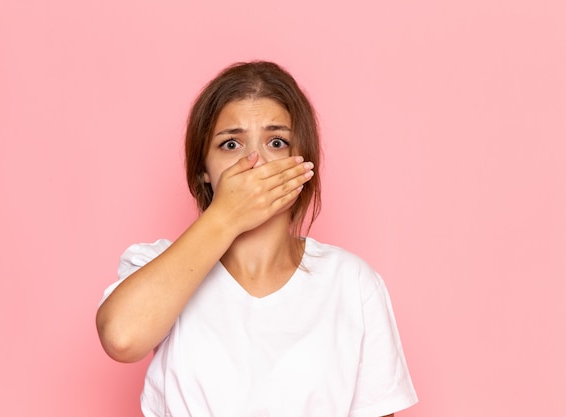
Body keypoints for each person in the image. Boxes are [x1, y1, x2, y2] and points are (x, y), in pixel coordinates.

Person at [96, 61, 418, 417]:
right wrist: (226, 215)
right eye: (231, 144)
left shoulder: (353, 283)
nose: (255, 162)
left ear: (303, 162)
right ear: (203, 168)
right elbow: (121, 338)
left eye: (276, 142)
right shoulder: (159, 265)